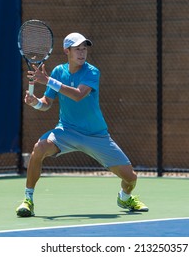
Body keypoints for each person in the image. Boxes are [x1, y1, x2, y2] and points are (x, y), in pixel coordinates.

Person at [16, 32, 148, 217]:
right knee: (39, 148)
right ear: (66, 51)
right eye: (77, 49)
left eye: (84, 49)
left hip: (96, 136)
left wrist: (47, 80)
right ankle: (28, 199)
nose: (82, 53)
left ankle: (125, 198)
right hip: (67, 131)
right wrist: (35, 102)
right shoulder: (58, 72)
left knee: (131, 178)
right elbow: (47, 103)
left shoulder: (92, 71)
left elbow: (78, 95)